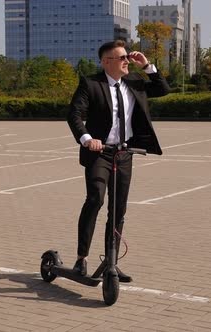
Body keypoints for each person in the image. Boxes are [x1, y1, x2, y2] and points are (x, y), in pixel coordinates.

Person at [67, 40, 170, 282]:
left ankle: (111, 262)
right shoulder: (91, 83)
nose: (127, 61)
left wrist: (147, 66)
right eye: (121, 57)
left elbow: (163, 89)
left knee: (118, 210)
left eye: (127, 57)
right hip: (99, 152)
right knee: (95, 199)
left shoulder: (135, 82)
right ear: (106, 62)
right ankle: (82, 258)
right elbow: (74, 114)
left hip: (124, 153)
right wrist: (86, 138)